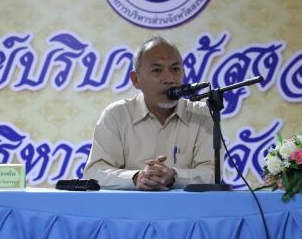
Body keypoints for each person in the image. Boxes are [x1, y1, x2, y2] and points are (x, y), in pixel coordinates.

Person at [84, 36, 215, 190]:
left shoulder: (202, 115)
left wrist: (174, 176)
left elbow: (212, 174)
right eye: (157, 70)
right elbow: (94, 173)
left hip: (186, 206)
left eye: (175, 69)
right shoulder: (116, 115)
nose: (169, 78)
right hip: (129, 206)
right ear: (135, 80)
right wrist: (136, 178)